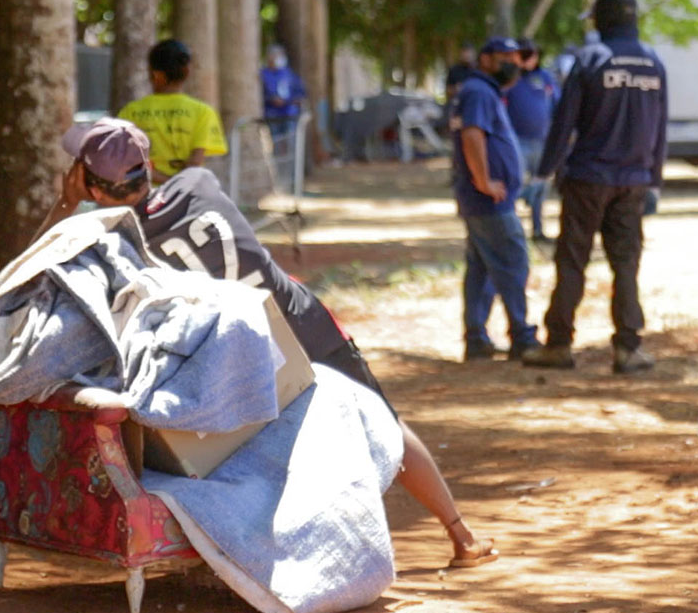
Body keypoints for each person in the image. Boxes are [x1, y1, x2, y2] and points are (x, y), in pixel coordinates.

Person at [37, 118, 500, 569]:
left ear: (92, 186)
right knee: (383, 421)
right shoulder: (200, 182)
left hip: (242, 358)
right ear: (149, 164)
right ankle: (461, 534)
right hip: (300, 319)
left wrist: (65, 202)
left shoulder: (115, 242)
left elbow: (33, 270)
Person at [522, 0, 667, 374]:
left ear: (602, 21)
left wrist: (542, 173)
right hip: (633, 180)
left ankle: (558, 345)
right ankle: (628, 348)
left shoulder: (590, 60)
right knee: (626, 264)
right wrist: (654, 179)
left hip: (588, 177)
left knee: (572, 260)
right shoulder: (653, 62)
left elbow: (563, 123)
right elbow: (660, 127)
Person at [450, 36, 540, 362]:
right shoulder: (477, 91)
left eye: (517, 58)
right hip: (488, 201)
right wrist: (483, 180)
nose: (512, 63)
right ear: (486, 58)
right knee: (513, 260)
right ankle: (522, 336)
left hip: (483, 199)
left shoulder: (483, 91)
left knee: (481, 268)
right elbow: (472, 135)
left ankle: (476, 338)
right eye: (505, 57)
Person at [117, 39, 227, 182]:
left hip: (144, 196)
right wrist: (176, 185)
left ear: (154, 73)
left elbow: (128, 162)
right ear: (187, 71)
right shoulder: (203, 112)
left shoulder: (130, 111)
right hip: (187, 194)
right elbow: (195, 163)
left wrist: (162, 180)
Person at [505, 38, 559, 242]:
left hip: (542, 142)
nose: (530, 59)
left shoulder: (545, 78)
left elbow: (557, 104)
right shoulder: (511, 78)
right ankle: (513, 230)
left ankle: (537, 230)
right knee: (515, 186)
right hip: (517, 141)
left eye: (533, 54)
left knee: (540, 188)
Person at [259, 43, 307, 144]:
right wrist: (270, 99)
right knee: (276, 141)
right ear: (269, 57)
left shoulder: (289, 74)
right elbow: (260, 94)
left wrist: (294, 101)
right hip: (272, 114)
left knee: (291, 142)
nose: (279, 58)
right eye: (276, 55)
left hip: (290, 114)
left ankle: (293, 160)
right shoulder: (263, 74)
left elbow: (300, 92)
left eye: (281, 55)